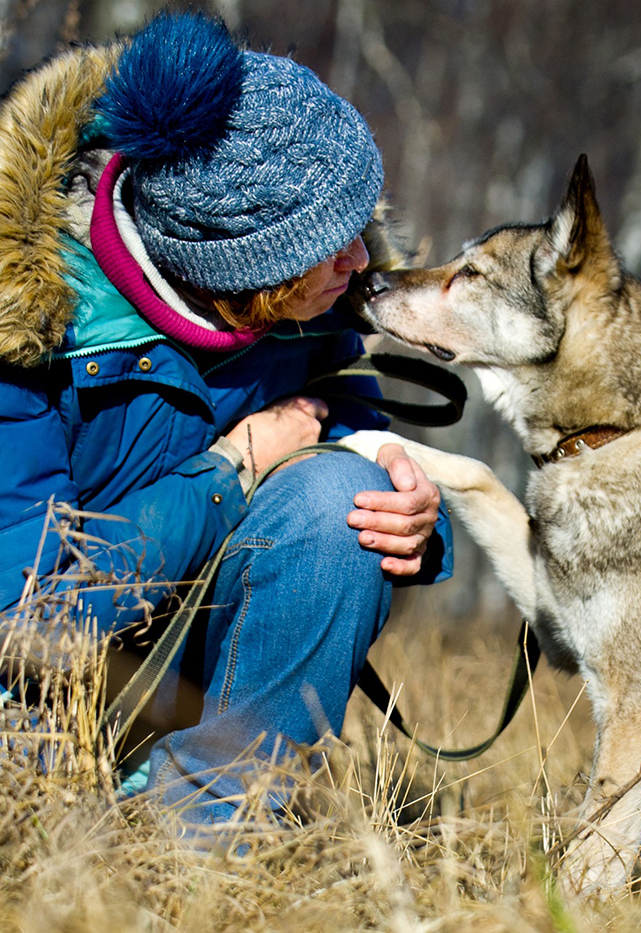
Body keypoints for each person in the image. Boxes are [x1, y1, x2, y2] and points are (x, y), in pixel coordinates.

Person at [0, 12, 451, 827]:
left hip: (185, 666)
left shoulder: (304, 312)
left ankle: (213, 826)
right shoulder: (27, 329)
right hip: (38, 705)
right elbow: (29, 616)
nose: (363, 258)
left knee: (335, 498)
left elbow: (334, 426)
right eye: (331, 240)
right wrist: (232, 469)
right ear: (237, 265)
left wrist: (406, 506)